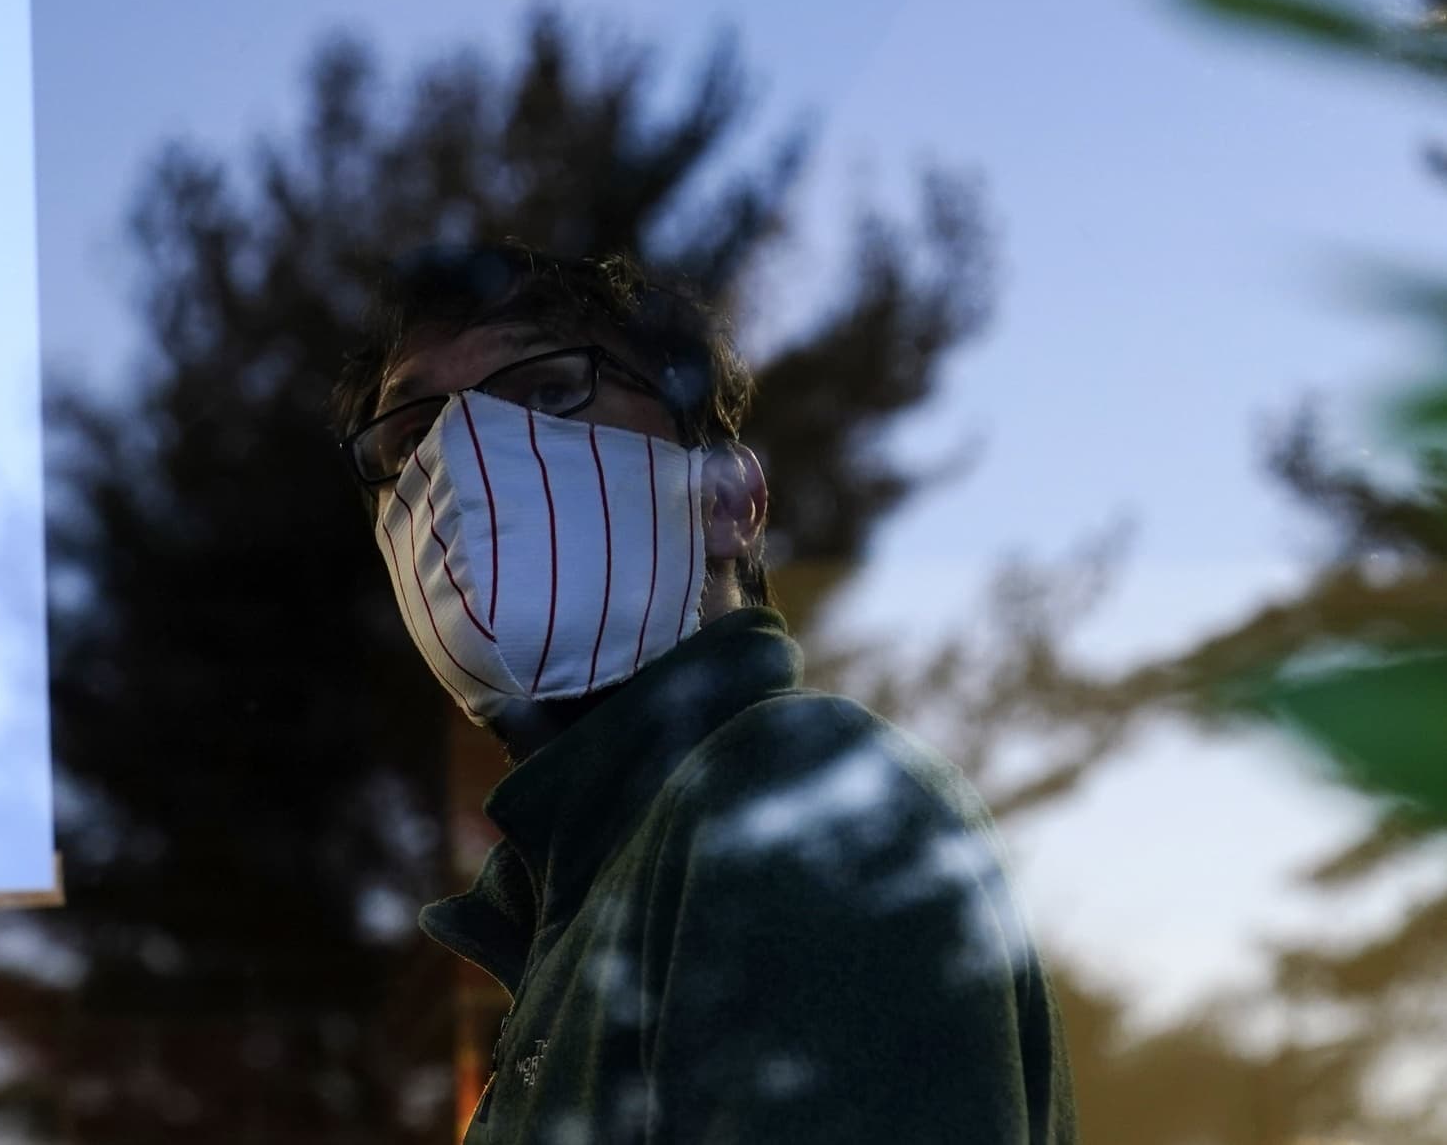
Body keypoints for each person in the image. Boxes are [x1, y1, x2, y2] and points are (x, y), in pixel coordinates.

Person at [332, 242, 1076, 1143]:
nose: (465, 462)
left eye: (545, 391)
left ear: (727, 501)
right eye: (412, 437)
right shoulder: (581, 900)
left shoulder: (795, 793)